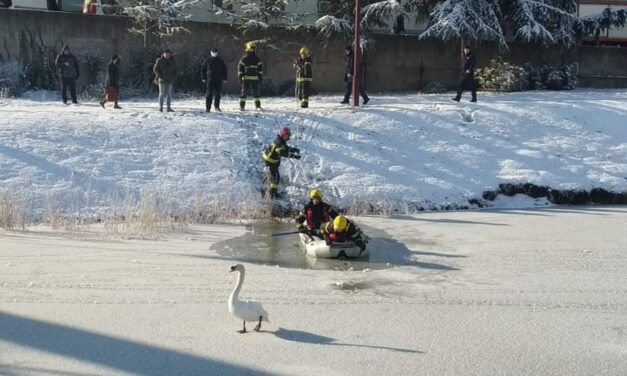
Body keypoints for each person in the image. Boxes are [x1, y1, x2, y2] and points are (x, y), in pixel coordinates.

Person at [261, 127, 301, 199]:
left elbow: (285, 148)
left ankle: (272, 192)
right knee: (275, 177)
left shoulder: (281, 140)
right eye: (286, 135)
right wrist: (294, 156)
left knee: (275, 177)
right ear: (282, 134)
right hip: (270, 161)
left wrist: (293, 149)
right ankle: (272, 194)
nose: (288, 136)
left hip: (273, 161)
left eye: (288, 135)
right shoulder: (279, 142)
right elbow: (282, 153)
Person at [201, 47, 228, 113]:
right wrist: (203, 78)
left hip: (219, 79)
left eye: (215, 52)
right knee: (209, 94)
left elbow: (224, 69)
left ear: (217, 53)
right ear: (211, 52)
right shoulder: (207, 60)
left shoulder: (220, 60)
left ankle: (217, 107)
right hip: (210, 79)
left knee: (218, 94)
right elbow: (203, 69)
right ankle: (208, 108)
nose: (214, 53)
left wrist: (225, 78)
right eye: (213, 52)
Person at [238, 42, 263, 111]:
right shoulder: (244, 59)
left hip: (255, 78)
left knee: (256, 93)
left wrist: (260, 77)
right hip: (246, 78)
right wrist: (241, 76)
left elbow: (260, 69)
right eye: (253, 48)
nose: (254, 50)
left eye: (254, 48)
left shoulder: (257, 59)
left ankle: (258, 106)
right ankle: (242, 106)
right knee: (244, 93)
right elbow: (240, 68)